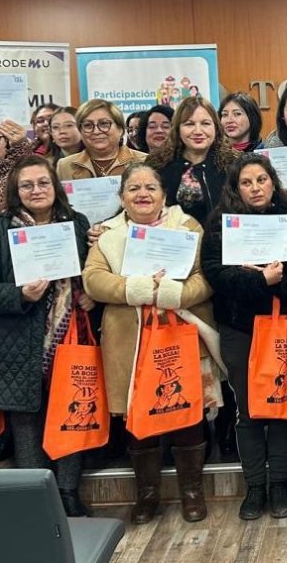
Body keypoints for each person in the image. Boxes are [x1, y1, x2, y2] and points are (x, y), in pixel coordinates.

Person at [83, 162, 220, 523]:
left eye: (150, 188)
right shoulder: (108, 235)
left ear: (164, 195)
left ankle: (192, 492)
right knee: (138, 414)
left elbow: (206, 276)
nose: (142, 194)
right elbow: (93, 279)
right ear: (121, 197)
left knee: (186, 410)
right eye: (133, 188)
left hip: (181, 332)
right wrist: (138, 288)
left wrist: (173, 292)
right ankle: (147, 494)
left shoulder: (187, 226)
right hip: (130, 339)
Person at [0, 156, 94, 517]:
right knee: (25, 422)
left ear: (55, 186)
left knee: (71, 412)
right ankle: (39, 498)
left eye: (43, 183)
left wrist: (88, 294)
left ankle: (68, 491)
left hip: (71, 336)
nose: (36, 190)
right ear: (15, 190)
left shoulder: (77, 223)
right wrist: (19, 294)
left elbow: (91, 272)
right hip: (17, 341)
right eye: (27, 185)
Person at [201, 154, 287, 520]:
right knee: (248, 410)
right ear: (235, 188)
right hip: (239, 329)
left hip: (282, 325)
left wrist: (277, 279)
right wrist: (258, 279)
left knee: (280, 406)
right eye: (246, 182)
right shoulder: (221, 222)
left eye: (261, 180)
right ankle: (255, 486)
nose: (255, 188)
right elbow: (214, 273)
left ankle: (279, 484)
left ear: (273, 182)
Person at [145, 96, 238, 226]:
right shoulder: (158, 164)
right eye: (189, 124)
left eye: (205, 123)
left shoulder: (235, 164)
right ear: (177, 128)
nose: (198, 131)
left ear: (216, 127)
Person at [56, 99, 147, 182]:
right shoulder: (64, 166)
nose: (96, 131)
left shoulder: (144, 161)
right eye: (88, 125)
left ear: (120, 129)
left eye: (104, 124)